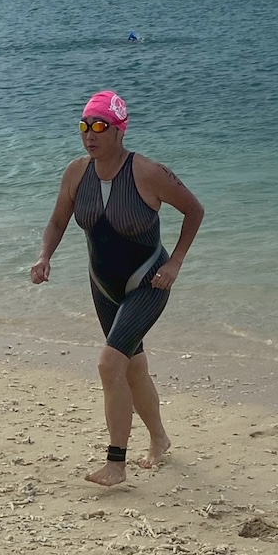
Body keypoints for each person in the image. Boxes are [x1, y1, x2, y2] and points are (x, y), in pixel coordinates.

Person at [30, 91, 204, 487]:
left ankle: (116, 463)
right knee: (132, 366)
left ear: (119, 130)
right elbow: (57, 221)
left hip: (149, 281)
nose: (90, 134)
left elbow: (194, 210)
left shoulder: (148, 173)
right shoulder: (76, 173)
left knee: (110, 364)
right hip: (103, 285)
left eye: (100, 126)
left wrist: (175, 263)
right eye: (84, 126)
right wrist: (44, 257)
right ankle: (159, 439)